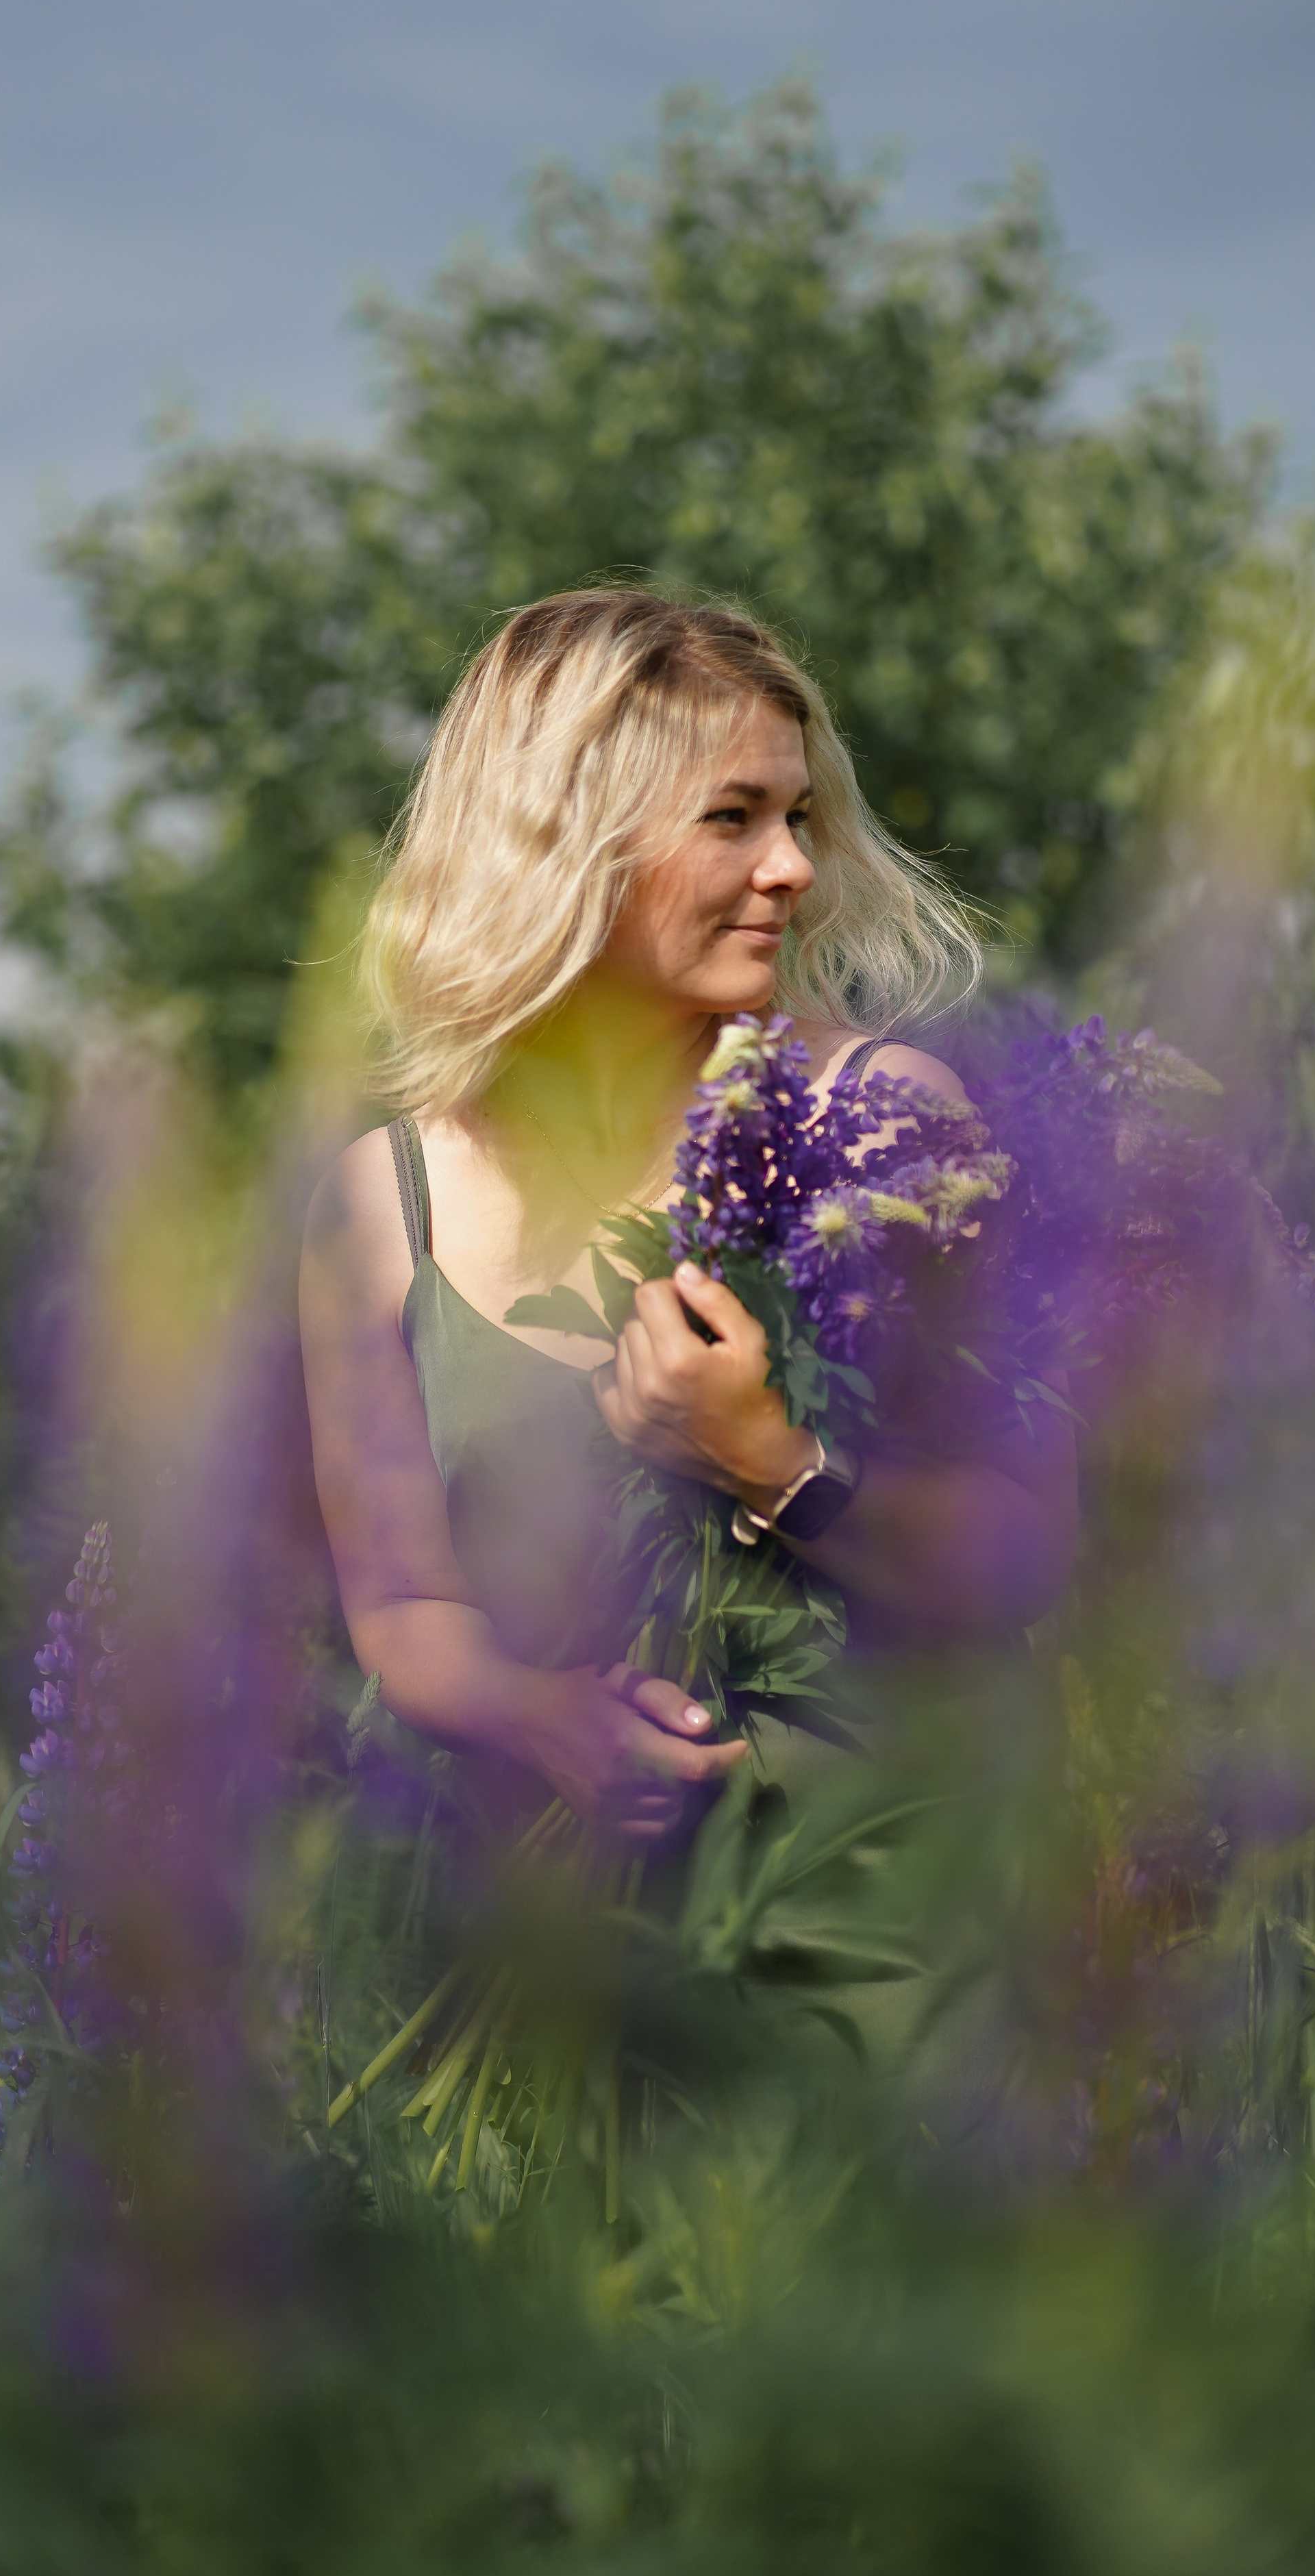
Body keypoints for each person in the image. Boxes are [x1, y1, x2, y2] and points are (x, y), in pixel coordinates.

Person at [300, 589, 1075, 1846]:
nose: (794, 867)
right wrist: (535, 1714)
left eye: (797, 815)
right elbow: (401, 1604)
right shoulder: (381, 1202)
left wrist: (772, 1463)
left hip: (857, 1924)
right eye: (733, 818)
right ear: (563, 846)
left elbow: (1029, 1548)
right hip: (522, 1947)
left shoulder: (887, 1125)